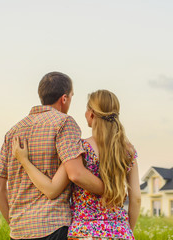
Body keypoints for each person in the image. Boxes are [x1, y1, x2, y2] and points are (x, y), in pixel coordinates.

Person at [12, 89, 141, 240]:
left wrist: (25, 161)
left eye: (87, 109)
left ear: (92, 114)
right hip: (121, 232)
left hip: (83, 232)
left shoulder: (80, 149)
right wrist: (125, 230)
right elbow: (136, 198)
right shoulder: (128, 151)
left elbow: (51, 189)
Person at [0, 72, 104, 240]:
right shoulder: (64, 123)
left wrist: (14, 222)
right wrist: (110, 191)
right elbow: (76, 173)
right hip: (53, 227)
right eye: (71, 96)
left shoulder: (13, 132)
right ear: (64, 99)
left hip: (19, 231)